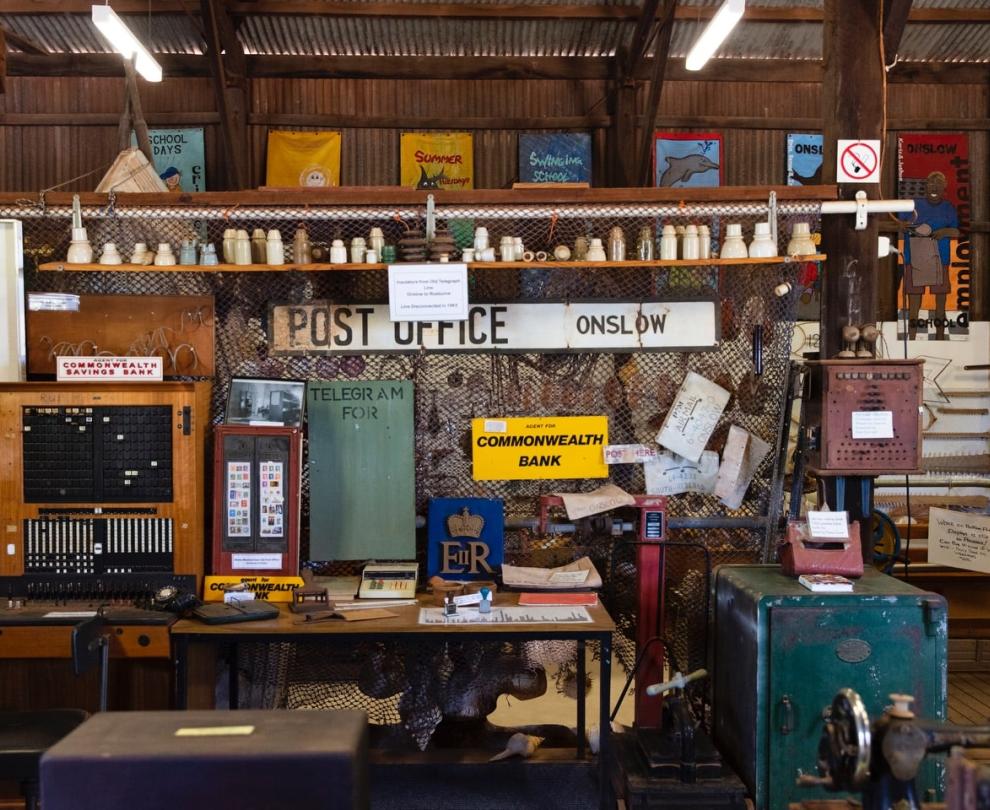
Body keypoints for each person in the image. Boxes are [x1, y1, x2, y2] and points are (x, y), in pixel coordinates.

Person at [898, 171, 960, 340]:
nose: (934, 187)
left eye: (938, 184)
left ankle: (940, 338)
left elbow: (957, 231)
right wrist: (904, 227)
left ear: (944, 187)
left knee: (940, 304)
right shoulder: (913, 205)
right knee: (914, 305)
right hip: (915, 260)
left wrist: (944, 231)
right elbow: (899, 224)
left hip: (940, 260)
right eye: (931, 183)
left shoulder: (948, 208)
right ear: (925, 186)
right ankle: (911, 339)